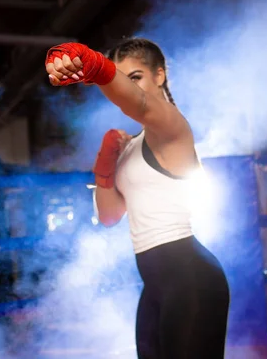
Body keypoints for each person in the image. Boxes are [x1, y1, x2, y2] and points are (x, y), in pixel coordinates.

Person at [45, 38, 230, 359]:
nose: (126, 87)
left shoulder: (173, 126)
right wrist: (103, 170)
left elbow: (138, 103)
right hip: (155, 285)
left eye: (135, 78)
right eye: (121, 77)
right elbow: (109, 216)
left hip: (191, 280)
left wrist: (94, 65)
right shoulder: (130, 146)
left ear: (159, 75)